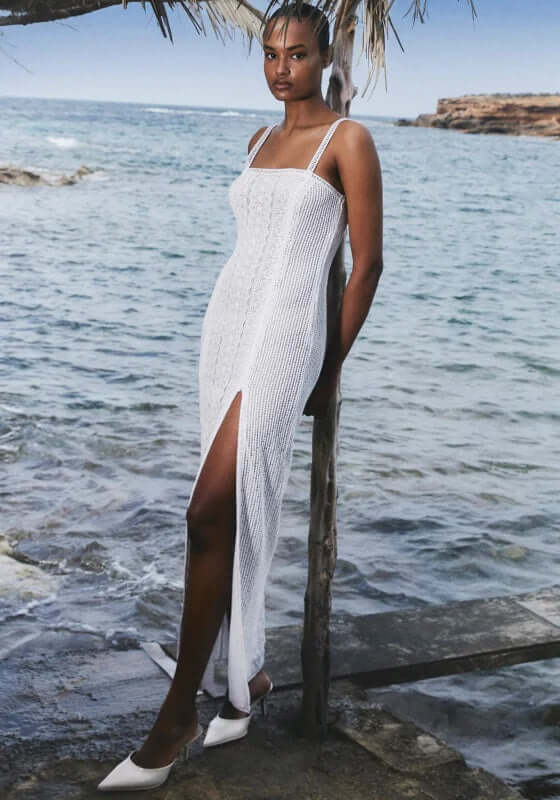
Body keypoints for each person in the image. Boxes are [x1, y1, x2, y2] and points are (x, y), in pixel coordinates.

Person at [97, 1, 383, 791]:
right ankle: (245, 677)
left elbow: (367, 266)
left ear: (325, 57)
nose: (280, 67)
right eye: (269, 53)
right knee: (220, 511)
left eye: (296, 53)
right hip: (225, 329)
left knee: (207, 508)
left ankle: (177, 712)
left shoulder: (348, 141)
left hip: (288, 337)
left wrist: (330, 371)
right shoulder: (258, 140)